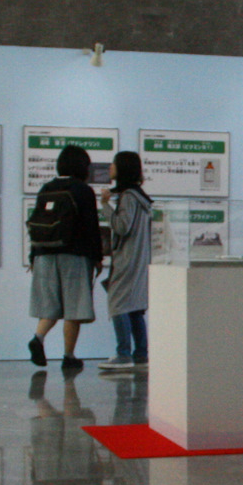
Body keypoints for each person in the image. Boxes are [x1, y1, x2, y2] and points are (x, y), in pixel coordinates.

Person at [26, 145, 106, 372]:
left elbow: (38, 223)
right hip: (74, 255)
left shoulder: (47, 188)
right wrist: (97, 257)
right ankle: (69, 356)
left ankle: (38, 338)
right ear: (82, 167)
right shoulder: (82, 190)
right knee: (73, 307)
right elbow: (92, 227)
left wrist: (33, 256)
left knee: (50, 306)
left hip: (44, 255)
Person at [97, 149, 152, 373]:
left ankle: (123, 354)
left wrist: (105, 206)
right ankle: (141, 354)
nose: (110, 168)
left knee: (118, 303)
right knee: (135, 307)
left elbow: (122, 226)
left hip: (127, 259)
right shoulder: (140, 197)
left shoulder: (129, 197)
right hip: (139, 259)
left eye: (113, 164)